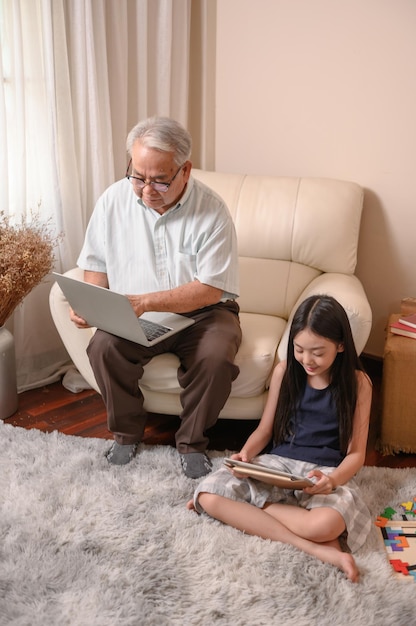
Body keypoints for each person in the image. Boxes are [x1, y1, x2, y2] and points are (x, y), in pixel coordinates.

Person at [70, 116, 242, 478]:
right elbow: (95, 264)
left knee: (216, 359)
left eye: (160, 180)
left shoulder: (212, 210)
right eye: (138, 176)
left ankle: (192, 443)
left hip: (204, 313)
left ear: (185, 170)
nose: (147, 189)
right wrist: (93, 302)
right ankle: (127, 434)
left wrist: (145, 302)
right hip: (133, 314)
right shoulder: (112, 201)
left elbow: (209, 287)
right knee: (103, 348)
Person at [187, 295, 372, 582]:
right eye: (299, 349)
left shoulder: (359, 383)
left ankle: (250, 510)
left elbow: (356, 454)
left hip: (324, 473)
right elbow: (265, 431)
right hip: (278, 463)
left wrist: (332, 482)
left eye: (318, 352)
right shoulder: (285, 371)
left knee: (326, 524)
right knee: (210, 493)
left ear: (341, 345)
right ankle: (317, 549)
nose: (307, 360)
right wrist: (246, 456)